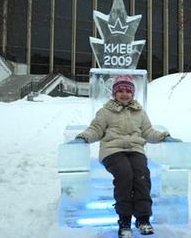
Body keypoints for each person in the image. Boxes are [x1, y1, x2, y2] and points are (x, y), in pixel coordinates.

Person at [67, 74, 181, 238]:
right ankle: (124, 221)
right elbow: (96, 129)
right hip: (112, 150)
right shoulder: (105, 112)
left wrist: (164, 136)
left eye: (128, 91)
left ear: (132, 94)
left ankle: (143, 219)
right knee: (125, 175)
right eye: (121, 90)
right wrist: (83, 137)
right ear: (114, 93)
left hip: (135, 149)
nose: (125, 94)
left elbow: (148, 132)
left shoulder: (140, 112)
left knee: (141, 176)